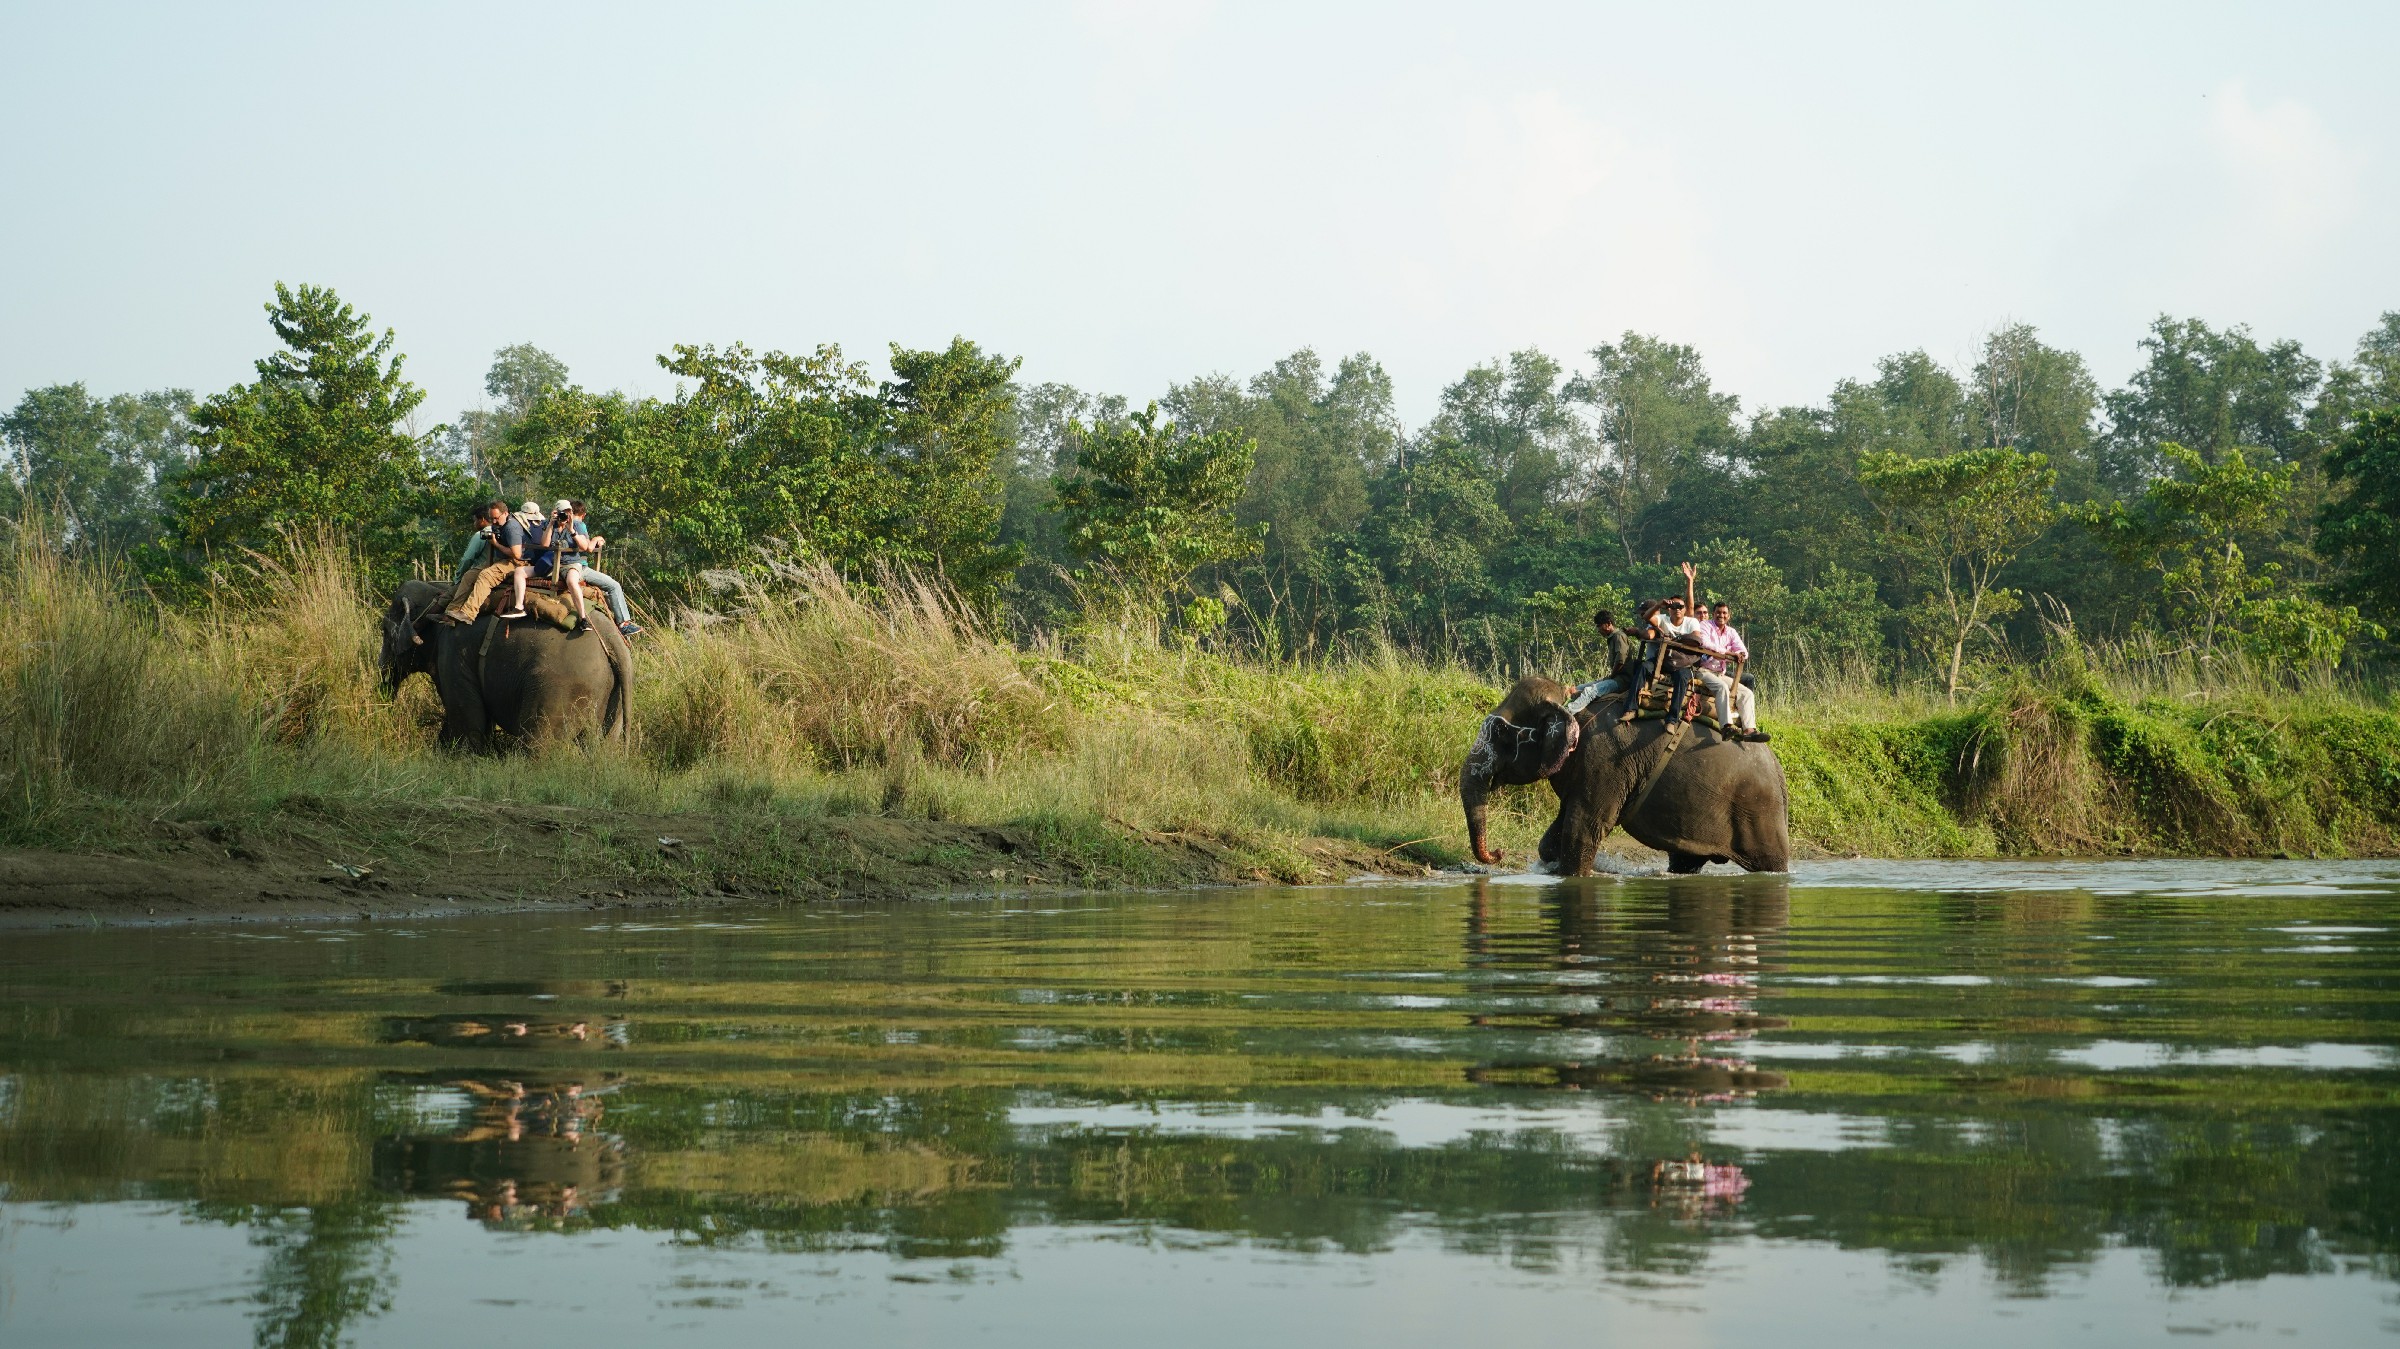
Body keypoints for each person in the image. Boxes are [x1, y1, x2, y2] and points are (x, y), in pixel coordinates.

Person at [560, 501, 641, 637]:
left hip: (565, 565)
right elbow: (588, 548)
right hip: (579, 567)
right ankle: (623, 624)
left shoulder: (558, 525)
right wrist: (597, 538)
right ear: (583, 515)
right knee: (614, 586)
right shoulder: (579, 525)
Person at [1697, 600, 1767, 742]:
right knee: (1722, 688)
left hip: (1720, 673)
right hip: (1703, 670)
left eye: (1724, 613)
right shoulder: (1705, 625)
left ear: (1729, 616)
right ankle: (1726, 726)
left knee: (1746, 693)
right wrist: (1729, 654)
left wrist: (1735, 655)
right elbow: (1705, 644)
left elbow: (1743, 652)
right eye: (1718, 612)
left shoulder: (1731, 632)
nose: (1721, 615)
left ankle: (1749, 729)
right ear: (1713, 614)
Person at [440, 501, 516, 624]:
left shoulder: (494, 531)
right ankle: (451, 613)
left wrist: (456, 579)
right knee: (470, 575)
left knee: (447, 595)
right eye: (493, 518)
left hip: (497, 565)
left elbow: (467, 559)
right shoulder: (497, 529)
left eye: (474, 520)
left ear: (481, 519)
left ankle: (464, 613)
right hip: (492, 563)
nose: (474, 524)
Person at [1565, 608, 1639, 714]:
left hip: (1621, 681)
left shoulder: (1619, 636)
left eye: (1599, 626)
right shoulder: (1612, 638)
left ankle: (1567, 713)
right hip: (1615, 678)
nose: (1598, 629)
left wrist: (1611, 676)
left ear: (1608, 624)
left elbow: (1620, 661)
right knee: (1579, 687)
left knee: (1590, 692)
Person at [497, 499, 551, 620]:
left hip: (541, 565)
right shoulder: (546, 525)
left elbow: (518, 553)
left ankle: (519, 606)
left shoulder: (521, 526)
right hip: (548, 562)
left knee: (519, 572)